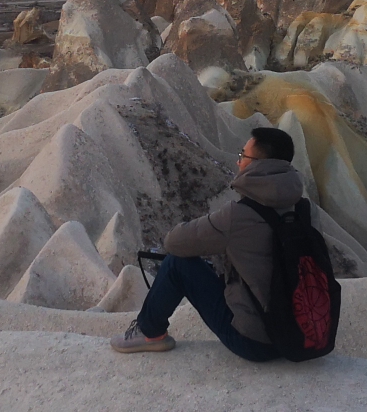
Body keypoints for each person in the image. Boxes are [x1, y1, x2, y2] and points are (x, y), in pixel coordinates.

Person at [110, 126, 304, 360]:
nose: (238, 163)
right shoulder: (305, 210)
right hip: (299, 334)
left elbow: (174, 243)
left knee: (177, 264)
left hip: (256, 341)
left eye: (243, 156)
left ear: (258, 166)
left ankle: (149, 332)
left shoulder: (238, 216)